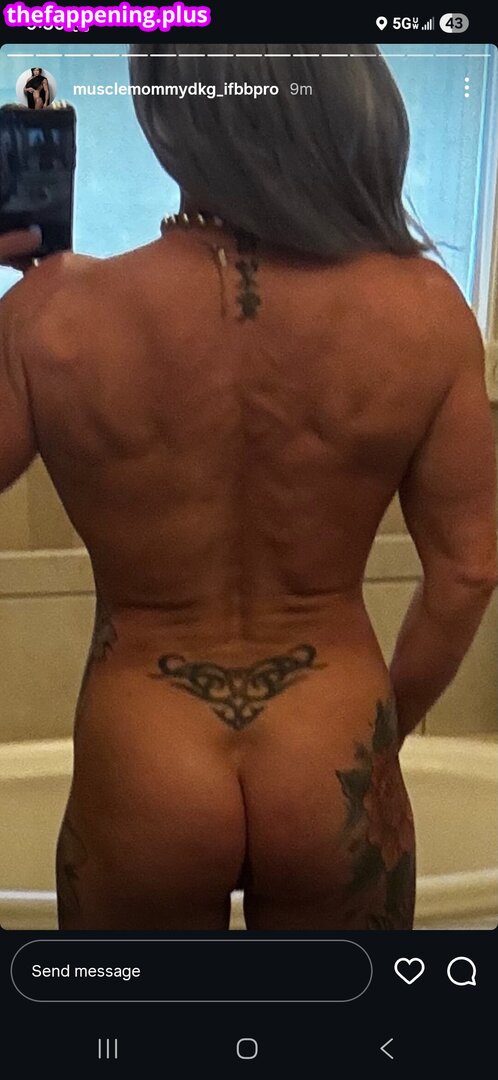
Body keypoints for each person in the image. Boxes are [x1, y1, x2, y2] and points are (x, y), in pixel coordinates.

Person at [0, 44, 496, 931]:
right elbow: (470, 569)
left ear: (168, 110)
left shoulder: (53, 314)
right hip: (334, 751)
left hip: (141, 757)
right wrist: (381, 729)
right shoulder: (427, 311)